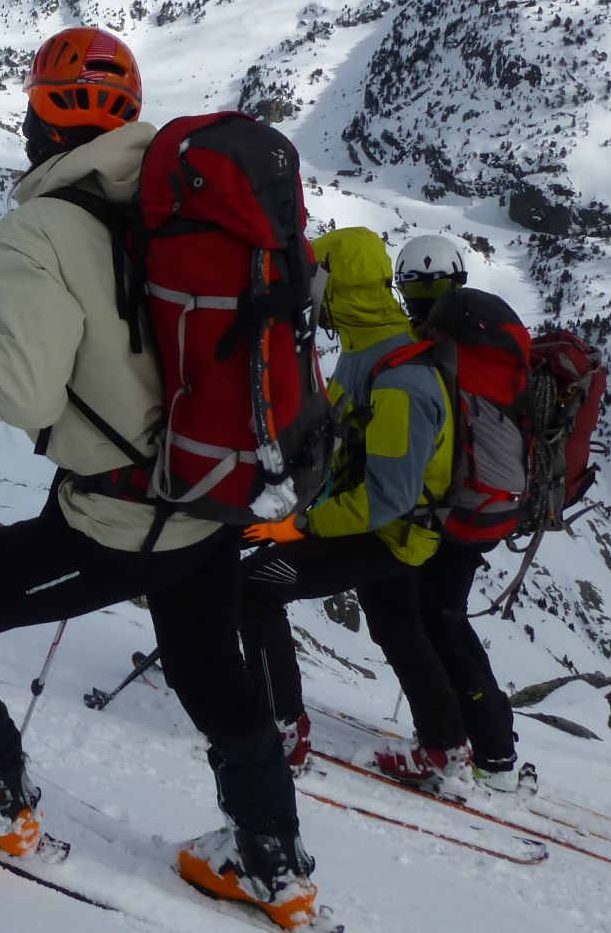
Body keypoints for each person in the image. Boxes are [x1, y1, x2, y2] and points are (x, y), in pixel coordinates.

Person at [0, 28, 316, 929]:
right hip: (208, 497)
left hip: (125, 522)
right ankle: (268, 859)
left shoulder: (39, 227)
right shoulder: (172, 198)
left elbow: (18, 388)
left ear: (44, 117)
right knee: (210, 670)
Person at [238, 225, 476, 799]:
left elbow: (387, 494)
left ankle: (279, 732)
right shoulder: (373, 349)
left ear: (337, 288)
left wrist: (298, 525)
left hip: (387, 531)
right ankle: (446, 747)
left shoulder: (399, 376)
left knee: (254, 589)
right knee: (398, 625)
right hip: (398, 532)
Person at [393, 233, 522, 792]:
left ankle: (487, 751)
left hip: (454, 512)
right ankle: (488, 741)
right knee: (444, 617)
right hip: (491, 508)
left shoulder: (433, 350)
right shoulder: (484, 343)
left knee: (437, 622)